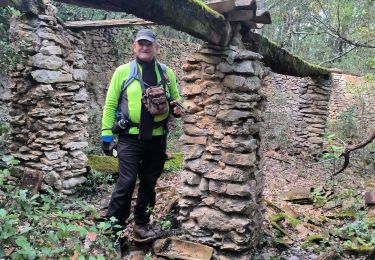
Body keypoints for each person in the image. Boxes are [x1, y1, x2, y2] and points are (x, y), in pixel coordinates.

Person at [101, 28, 182, 239]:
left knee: (149, 182)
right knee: (126, 182)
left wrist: (177, 108)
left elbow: (176, 98)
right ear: (134, 47)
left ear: (156, 48)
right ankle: (114, 230)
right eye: (141, 43)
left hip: (157, 138)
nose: (145, 47)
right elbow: (110, 104)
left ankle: (141, 225)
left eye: (149, 44)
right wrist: (106, 136)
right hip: (129, 138)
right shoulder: (123, 72)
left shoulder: (166, 73)